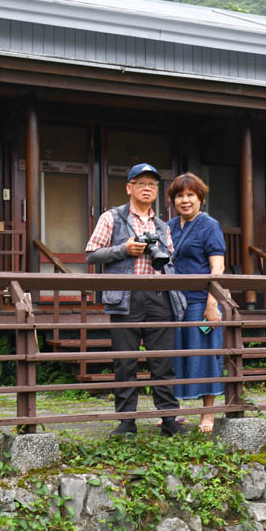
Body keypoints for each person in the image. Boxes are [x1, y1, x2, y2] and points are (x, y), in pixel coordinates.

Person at [85, 163, 185, 437]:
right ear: (129, 187)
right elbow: (92, 254)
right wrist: (124, 249)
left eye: (152, 184)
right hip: (126, 296)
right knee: (125, 362)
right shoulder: (112, 217)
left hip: (159, 296)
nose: (147, 188)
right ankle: (127, 422)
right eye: (140, 183)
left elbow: (169, 261)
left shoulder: (163, 225)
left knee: (163, 363)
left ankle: (169, 421)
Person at [167, 172, 226, 434]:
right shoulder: (168, 226)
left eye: (191, 194)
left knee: (204, 356)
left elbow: (218, 266)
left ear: (200, 198)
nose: (185, 200)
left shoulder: (209, 225)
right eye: (180, 195)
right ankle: (175, 411)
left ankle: (208, 413)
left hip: (201, 300)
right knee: (175, 356)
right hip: (173, 301)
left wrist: (212, 304)